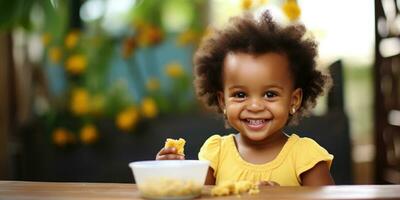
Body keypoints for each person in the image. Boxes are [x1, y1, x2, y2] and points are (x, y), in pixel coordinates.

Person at [156, 10, 334, 186]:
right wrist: (170, 172)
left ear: (293, 100)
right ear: (223, 101)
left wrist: (283, 197)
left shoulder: (305, 158)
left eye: (270, 94)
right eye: (240, 95)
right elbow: (196, 196)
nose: (255, 106)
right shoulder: (216, 153)